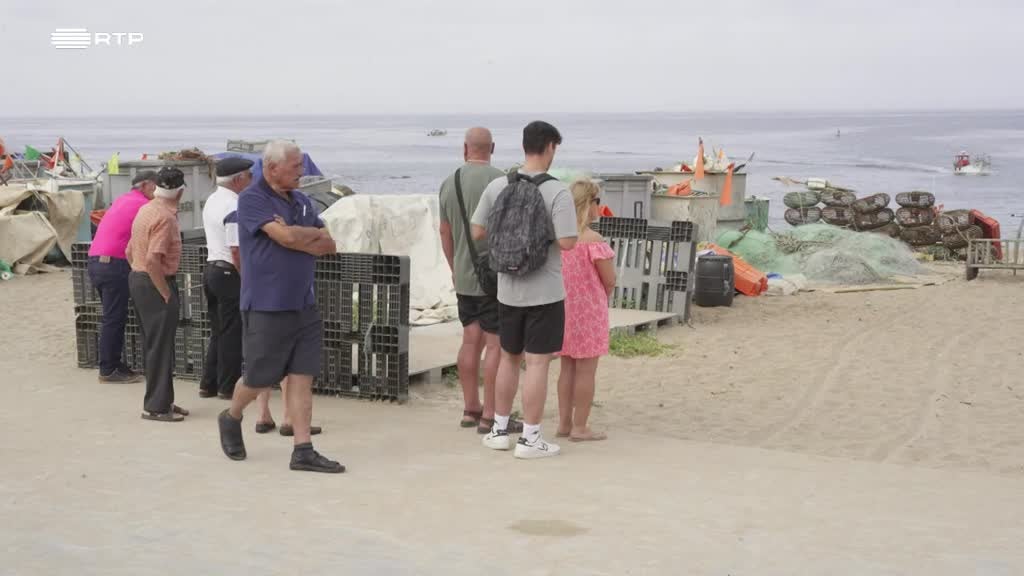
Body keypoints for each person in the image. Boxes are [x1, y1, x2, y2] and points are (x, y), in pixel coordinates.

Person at [216, 140, 342, 473]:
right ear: (273, 169)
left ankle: (303, 449)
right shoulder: (252, 199)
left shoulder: (302, 200)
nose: (303, 171)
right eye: (296, 166)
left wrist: (294, 234)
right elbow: (286, 240)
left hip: (304, 304)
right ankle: (231, 415)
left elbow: (328, 244)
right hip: (267, 305)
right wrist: (300, 237)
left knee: (302, 377)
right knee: (259, 378)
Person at [471, 121, 578, 459]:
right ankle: (531, 438)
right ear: (550, 147)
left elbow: (477, 231)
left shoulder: (499, 185)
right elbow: (567, 242)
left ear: (523, 146)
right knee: (538, 363)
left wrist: (509, 239)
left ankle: (500, 430)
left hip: (507, 290)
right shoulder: (556, 191)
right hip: (544, 290)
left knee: (508, 357)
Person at [438, 127, 522, 434]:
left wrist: (454, 267)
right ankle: (490, 414)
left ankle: (470, 408)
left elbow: (445, 232)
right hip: (495, 277)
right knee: (495, 345)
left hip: (463, 275)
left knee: (470, 340)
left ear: (464, 149)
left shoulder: (450, 183)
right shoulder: (503, 182)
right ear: (493, 148)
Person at [126, 167, 188, 422]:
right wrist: (164, 292)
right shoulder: (166, 217)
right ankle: (157, 406)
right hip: (155, 281)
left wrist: (139, 272)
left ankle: (162, 400)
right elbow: (153, 259)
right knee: (160, 347)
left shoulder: (146, 209)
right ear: (180, 191)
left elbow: (130, 250)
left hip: (138, 278)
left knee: (154, 344)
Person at [556, 180, 615, 442]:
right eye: (597, 201)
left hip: (563, 309)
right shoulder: (594, 241)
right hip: (589, 310)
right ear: (588, 205)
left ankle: (564, 423)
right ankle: (580, 426)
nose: (599, 207)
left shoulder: (561, 240)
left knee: (566, 368)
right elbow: (609, 280)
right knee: (586, 371)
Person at [88, 170, 158, 383]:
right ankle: (108, 369)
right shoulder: (142, 206)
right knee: (114, 319)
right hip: (114, 264)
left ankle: (112, 364)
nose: (158, 192)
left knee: (112, 317)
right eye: (156, 187)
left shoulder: (123, 200)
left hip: (95, 261)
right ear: (146, 186)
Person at [199, 157, 253, 399]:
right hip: (229, 271)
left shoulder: (212, 199)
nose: (252, 181)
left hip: (211, 267)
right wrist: (246, 277)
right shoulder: (235, 206)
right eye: (249, 176)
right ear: (239, 179)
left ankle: (208, 383)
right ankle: (227, 386)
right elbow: (236, 249)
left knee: (218, 330)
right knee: (233, 331)